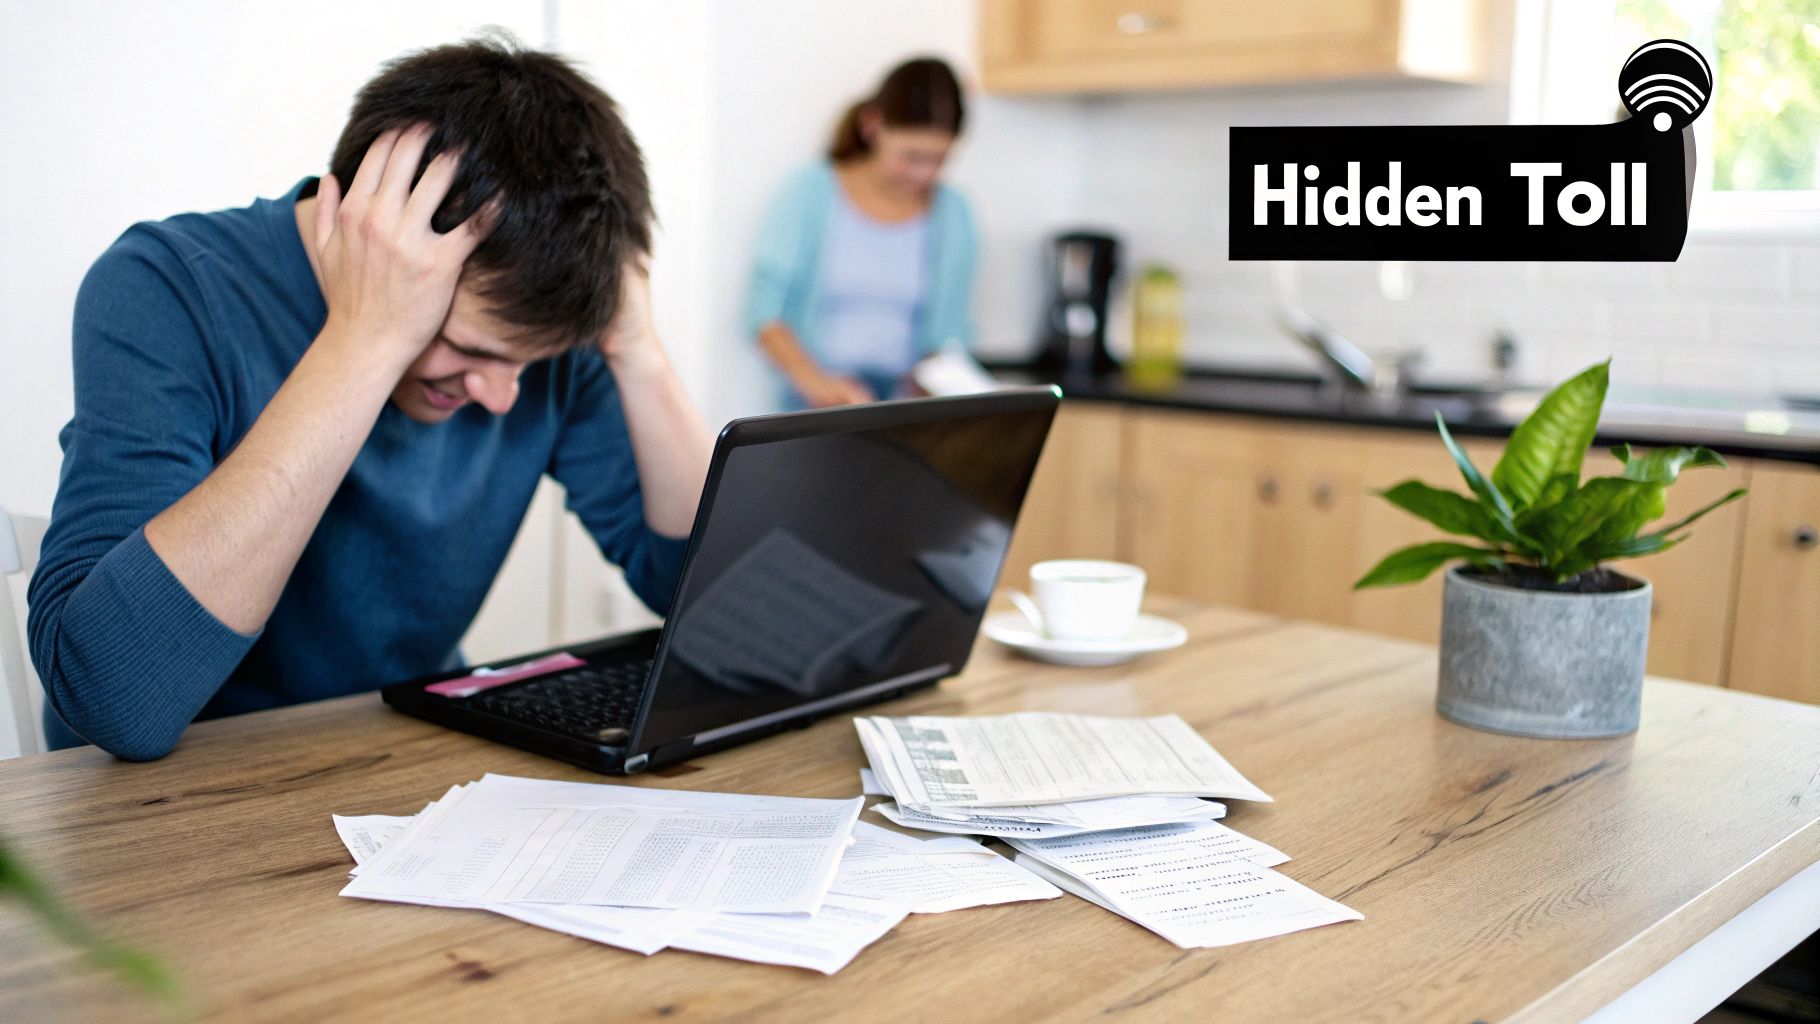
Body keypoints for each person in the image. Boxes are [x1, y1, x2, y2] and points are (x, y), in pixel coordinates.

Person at [27, 35, 714, 760]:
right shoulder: (169, 287)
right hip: (176, 793)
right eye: (472, 350)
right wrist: (367, 337)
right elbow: (114, 699)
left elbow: (706, 600)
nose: (503, 395)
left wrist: (638, 352)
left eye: (524, 364)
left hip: (396, 759)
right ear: (373, 230)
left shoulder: (531, 336)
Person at [745, 57, 978, 409]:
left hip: (904, 409)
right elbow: (765, 314)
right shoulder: (808, 192)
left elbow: (949, 333)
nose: (923, 174)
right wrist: (819, 385)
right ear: (873, 125)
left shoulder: (955, 213)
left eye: (939, 159)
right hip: (816, 405)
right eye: (911, 157)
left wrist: (926, 391)